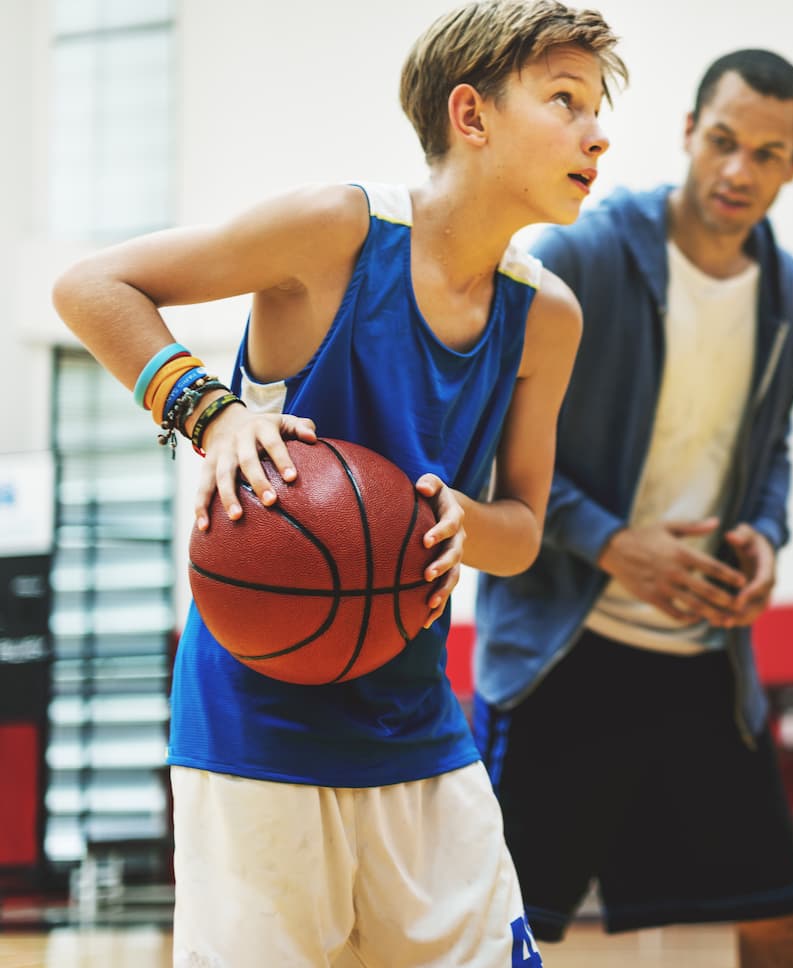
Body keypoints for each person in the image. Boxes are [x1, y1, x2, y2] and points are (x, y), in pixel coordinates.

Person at [50, 2, 624, 965]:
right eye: (565, 100)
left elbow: (523, 528)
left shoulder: (548, 318)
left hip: (416, 720)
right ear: (471, 116)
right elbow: (91, 287)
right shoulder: (337, 232)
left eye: (599, 108)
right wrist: (215, 413)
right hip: (256, 720)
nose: (596, 131)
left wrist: (458, 520)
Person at [475, 49, 793, 967]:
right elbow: (485, 451)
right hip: (563, 654)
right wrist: (612, 544)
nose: (739, 171)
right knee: (498, 933)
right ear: (688, 135)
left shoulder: (788, 292)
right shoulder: (579, 255)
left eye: (767, 153)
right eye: (724, 142)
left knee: (782, 925)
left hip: (702, 663)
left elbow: (772, 447)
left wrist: (768, 536)